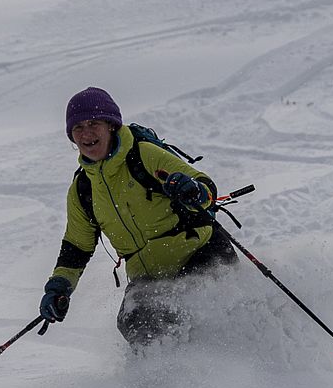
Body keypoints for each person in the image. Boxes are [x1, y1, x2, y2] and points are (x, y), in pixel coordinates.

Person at [39, 87, 236, 347]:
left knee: (200, 309)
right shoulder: (83, 189)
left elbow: (205, 187)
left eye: (93, 123)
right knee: (135, 321)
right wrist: (59, 287)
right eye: (78, 128)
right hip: (151, 276)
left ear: (110, 126)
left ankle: (234, 368)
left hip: (201, 253)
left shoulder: (143, 155)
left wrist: (192, 190)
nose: (86, 133)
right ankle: (162, 383)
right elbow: (77, 247)